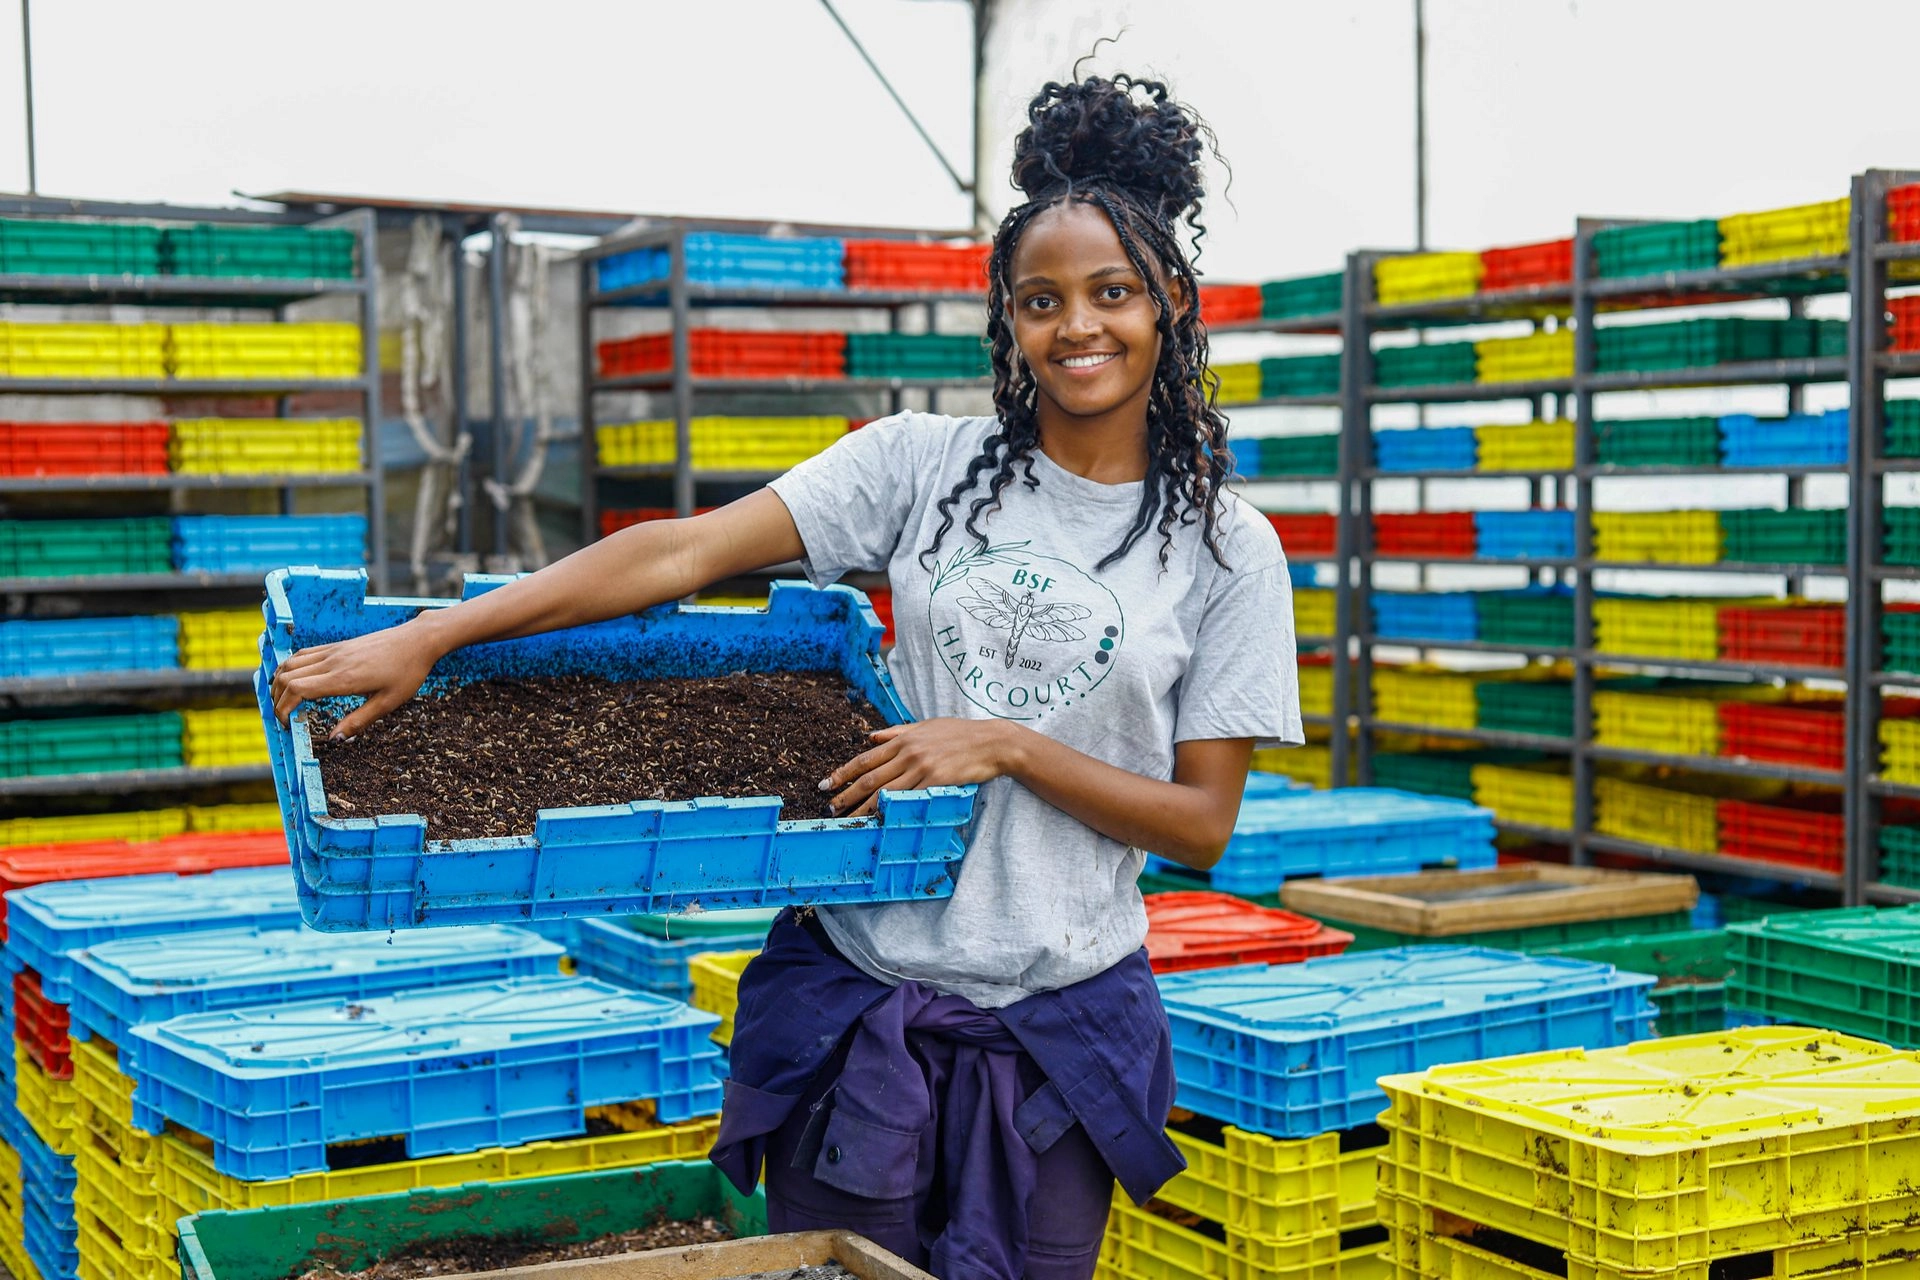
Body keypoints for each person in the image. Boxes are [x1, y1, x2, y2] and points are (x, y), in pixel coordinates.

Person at [270, 70, 1301, 1280]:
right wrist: (442, 632)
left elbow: (1203, 822)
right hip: (862, 1009)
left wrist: (1007, 744)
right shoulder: (924, 465)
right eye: (1042, 300)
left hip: (1057, 1039)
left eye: (1112, 292)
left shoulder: (1227, 548)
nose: (1078, 326)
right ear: (1009, 319)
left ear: (1170, 299)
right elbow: (682, 551)